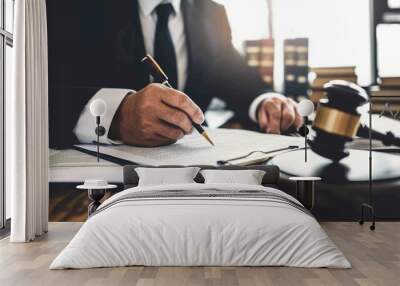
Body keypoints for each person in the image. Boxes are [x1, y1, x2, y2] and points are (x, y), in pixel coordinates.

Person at [47, 0, 302, 149]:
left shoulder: (212, 13)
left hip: (192, 172)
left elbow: (236, 76)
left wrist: (267, 101)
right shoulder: (72, 7)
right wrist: (117, 116)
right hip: (92, 186)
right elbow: (43, 89)